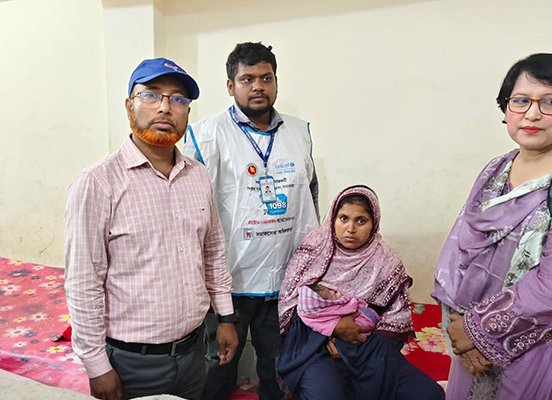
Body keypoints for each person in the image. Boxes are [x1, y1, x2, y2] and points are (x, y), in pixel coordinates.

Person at [433, 53, 552, 400]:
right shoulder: (496, 169)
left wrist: (478, 331)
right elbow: (459, 250)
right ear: (506, 107)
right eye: (521, 100)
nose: (532, 114)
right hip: (470, 345)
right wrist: (459, 329)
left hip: (546, 348)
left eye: (550, 102)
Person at [65, 58, 238, 400]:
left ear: (187, 112)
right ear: (129, 105)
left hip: (194, 352)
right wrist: (97, 366)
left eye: (178, 99)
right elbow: (83, 282)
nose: (165, 107)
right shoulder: (98, 183)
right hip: (132, 363)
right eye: (151, 95)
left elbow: (213, 252)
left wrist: (226, 317)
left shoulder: (198, 176)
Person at [183, 42, 319, 400]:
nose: (258, 86)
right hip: (228, 281)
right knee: (219, 364)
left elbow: (310, 196)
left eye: (266, 78)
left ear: (276, 81)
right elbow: (189, 213)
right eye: (247, 79)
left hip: (284, 277)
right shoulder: (205, 136)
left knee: (277, 365)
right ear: (231, 86)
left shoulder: (299, 132)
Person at [278, 185, 445, 400]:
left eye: (361, 221)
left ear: (374, 223)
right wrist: (334, 330)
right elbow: (290, 306)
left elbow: (397, 317)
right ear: (333, 219)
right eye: (344, 218)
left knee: (430, 394)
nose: (350, 229)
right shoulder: (313, 249)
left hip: (369, 349)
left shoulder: (385, 259)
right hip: (319, 348)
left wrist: (354, 344)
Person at [297, 283, 380, 338]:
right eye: (330, 296)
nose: (333, 292)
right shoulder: (322, 313)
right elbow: (350, 307)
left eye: (331, 290)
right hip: (361, 329)